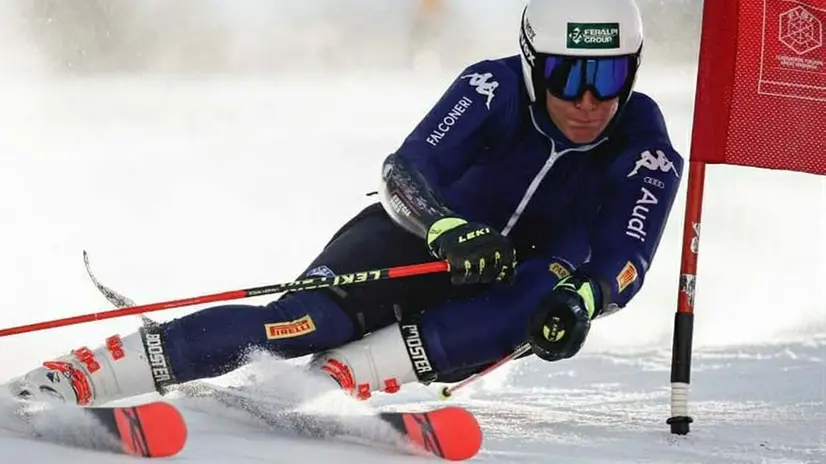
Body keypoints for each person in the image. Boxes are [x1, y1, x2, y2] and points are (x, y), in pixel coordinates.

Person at [8, 0, 684, 406]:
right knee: (299, 326)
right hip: (410, 247)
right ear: (535, 64)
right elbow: (406, 172)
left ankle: (340, 382)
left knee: (553, 280)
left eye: (610, 76)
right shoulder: (491, 89)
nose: (590, 102)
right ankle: (79, 377)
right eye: (570, 76)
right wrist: (448, 231)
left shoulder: (645, 140)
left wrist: (584, 302)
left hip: (500, 297)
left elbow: (629, 253)